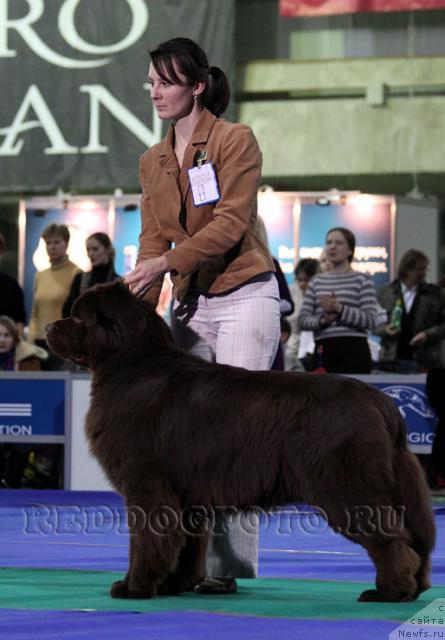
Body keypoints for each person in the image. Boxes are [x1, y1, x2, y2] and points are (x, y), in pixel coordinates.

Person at [123, 37, 280, 595]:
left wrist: (165, 261)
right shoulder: (152, 159)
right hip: (190, 304)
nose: (155, 92)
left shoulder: (236, 140)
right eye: (150, 82)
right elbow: (148, 245)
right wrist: (131, 308)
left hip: (244, 293)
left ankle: (223, 567)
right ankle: (181, 564)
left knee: (237, 434)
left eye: (165, 81)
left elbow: (230, 225)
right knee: (180, 439)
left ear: (196, 86)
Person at [298, 227, 378, 374]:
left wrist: (340, 309)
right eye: (329, 242)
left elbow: (371, 320)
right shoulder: (316, 281)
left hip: (355, 352)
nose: (332, 247)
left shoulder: (362, 280)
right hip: (324, 351)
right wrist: (323, 321)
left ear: (350, 250)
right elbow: (302, 321)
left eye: (339, 243)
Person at [375, 249, 445, 373]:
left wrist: (427, 335)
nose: (423, 273)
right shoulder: (384, 293)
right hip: (390, 361)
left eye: (424, 269)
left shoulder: (435, 294)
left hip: (426, 361)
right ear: (407, 269)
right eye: (419, 269)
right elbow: (374, 323)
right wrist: (386, 330)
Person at [28, 224, 80, 368]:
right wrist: (30, 341)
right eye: (48, 243)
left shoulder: (76, 273)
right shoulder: (40, 275)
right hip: (38, 345)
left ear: (66, 243)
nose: (52, 247)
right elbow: (35, 312)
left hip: (62, 344)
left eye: (57, 242)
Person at [63, 232, 120, 317]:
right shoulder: (80, 279)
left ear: (107, 249)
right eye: (88, 250)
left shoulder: (118, 282)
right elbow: (66, 311)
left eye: (95, 249)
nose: (90, 254)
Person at [285, 258, 319, 371]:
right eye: (299, 280)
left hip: (317, 349)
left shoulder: (324, 293)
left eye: (307, 280)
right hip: (292, 346)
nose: (302, 284)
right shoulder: (291, 291)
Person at [0, 233, 26, 335]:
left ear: (1, 252)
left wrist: (18, 347)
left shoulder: (11, 285)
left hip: (5, 347)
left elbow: (19, 320)